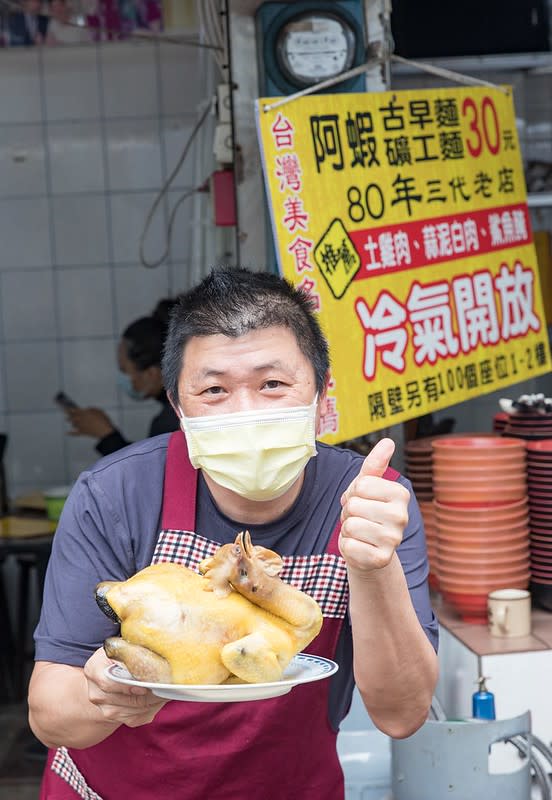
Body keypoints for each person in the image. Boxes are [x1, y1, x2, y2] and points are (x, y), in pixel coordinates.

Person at [29, 267, 439, 800]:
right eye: (214, 390)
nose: (245, 412)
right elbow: (50, 714)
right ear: (177, 406)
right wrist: (107, 696)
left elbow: (402, 714)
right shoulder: (115, 494)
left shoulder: (372, 501)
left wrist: (372, 567)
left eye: (272, 384)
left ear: (321, 395)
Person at [64, 299, 180, 456]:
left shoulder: (172, 421)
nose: (122, 378)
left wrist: (107, 435)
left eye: (124, 370)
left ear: (152, 374)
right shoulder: (175, 412)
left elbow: (147, 475)